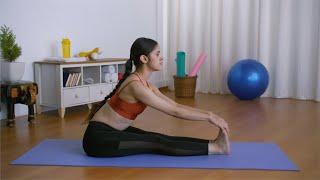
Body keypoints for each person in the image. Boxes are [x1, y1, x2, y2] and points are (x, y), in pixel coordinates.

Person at [82, 37, 230, 157]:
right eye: (157, 54)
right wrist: (210, 117)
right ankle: (216, 148)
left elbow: (175, 106)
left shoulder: (146, 84)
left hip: (114, 132)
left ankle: (214, 144)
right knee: (156, 142)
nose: (161, 58)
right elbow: (175, 112)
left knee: (158, 137)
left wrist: (210, 115)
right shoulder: (136, 86)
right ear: (144, 59)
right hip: (98, 140)